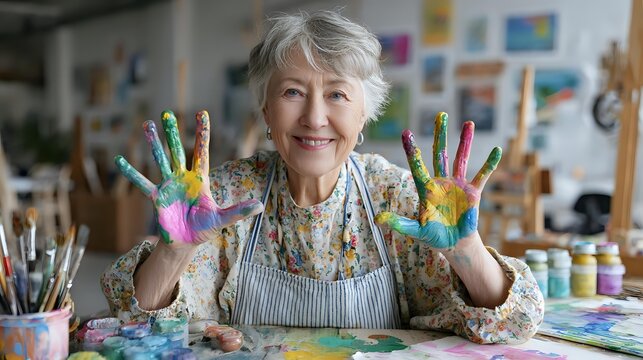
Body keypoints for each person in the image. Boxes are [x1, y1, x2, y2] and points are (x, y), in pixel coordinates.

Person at [102, 10, 544, 344]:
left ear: (364, 113)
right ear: (267, 112)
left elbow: (514, 327)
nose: (314, 118)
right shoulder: (226, 198)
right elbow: (136, 330)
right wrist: (173, 253)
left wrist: (467, 252)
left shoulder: (397, 198)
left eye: (336, 94)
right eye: (293, 92)